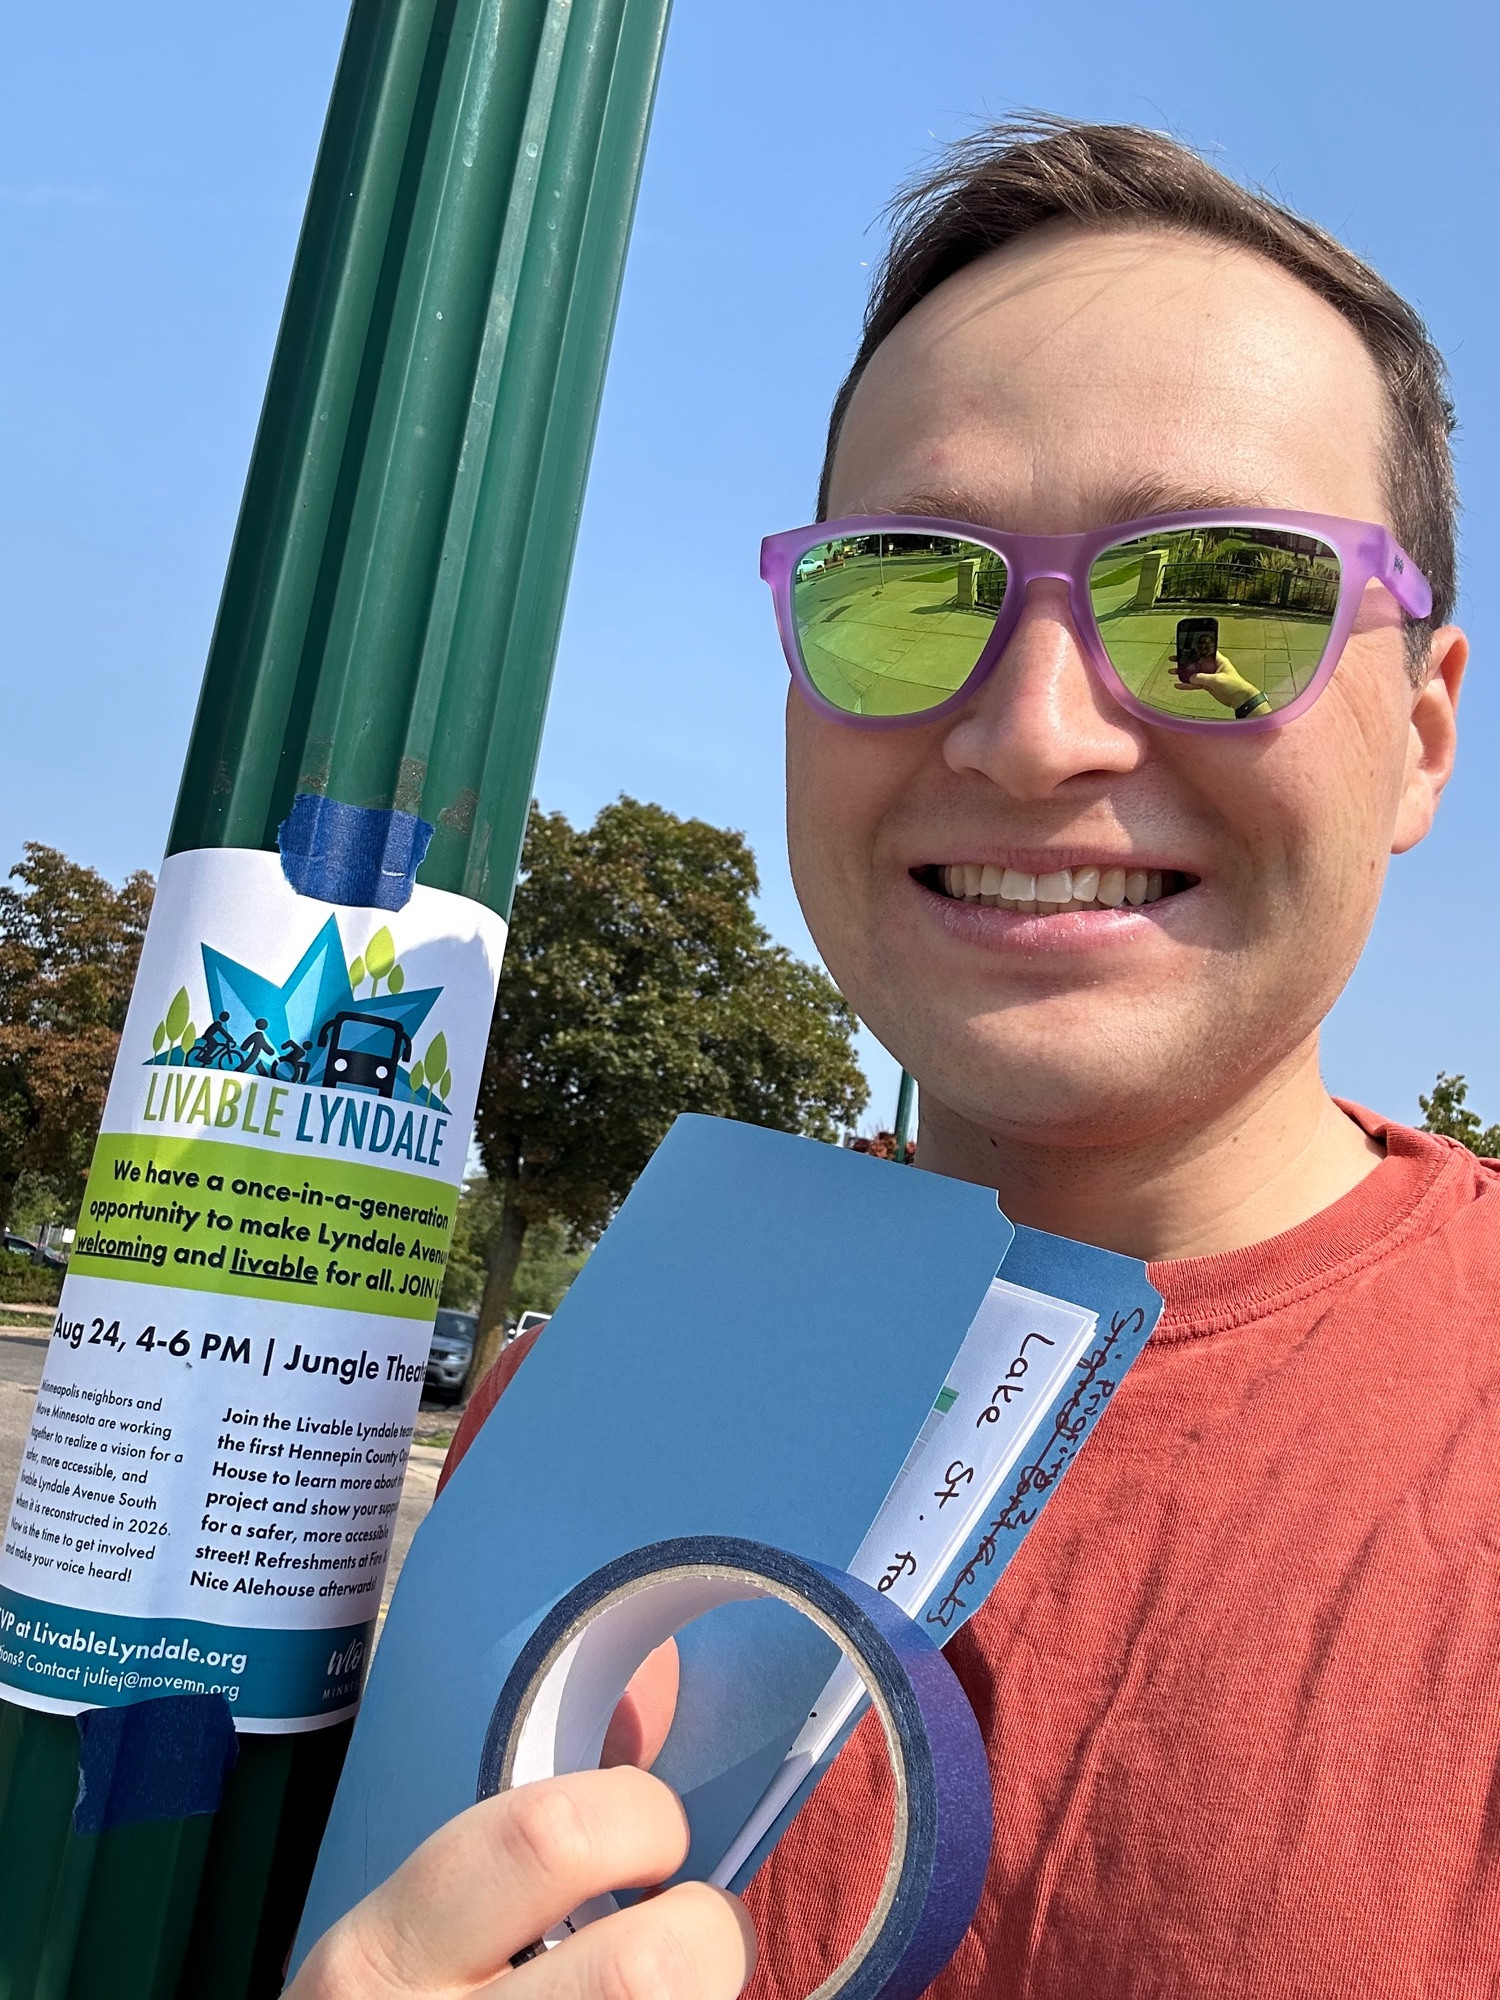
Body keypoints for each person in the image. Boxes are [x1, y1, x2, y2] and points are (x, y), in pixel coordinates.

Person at [288, 118, 1494, 1999]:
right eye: (907, 589)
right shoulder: (570, 1402)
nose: (1031, 734)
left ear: (1423, 733)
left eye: (1223, 606)